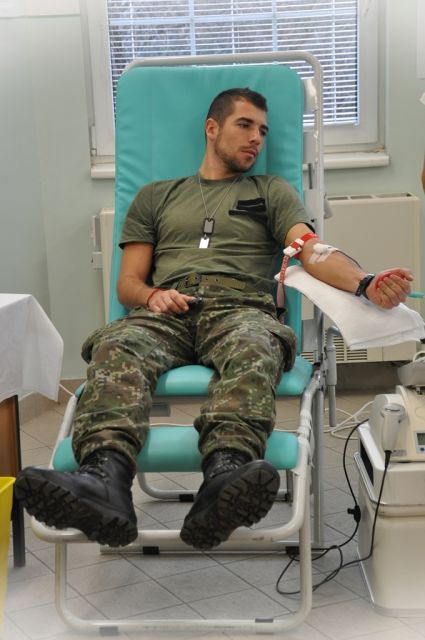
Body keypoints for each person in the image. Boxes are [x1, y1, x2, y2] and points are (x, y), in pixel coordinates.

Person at [15, 88, 413, 551]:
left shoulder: (270, 191)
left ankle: (226, 476)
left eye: (263, 130)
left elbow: (312, 250)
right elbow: (128, 284)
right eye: (245, 125)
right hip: (167, 309)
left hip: (240, 309)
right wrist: (153, 295)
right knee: (117, 345)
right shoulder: (156, 196)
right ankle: (104, 482)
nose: (256, 138)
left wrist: (365, 282)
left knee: (255, 346)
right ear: (211, 128)